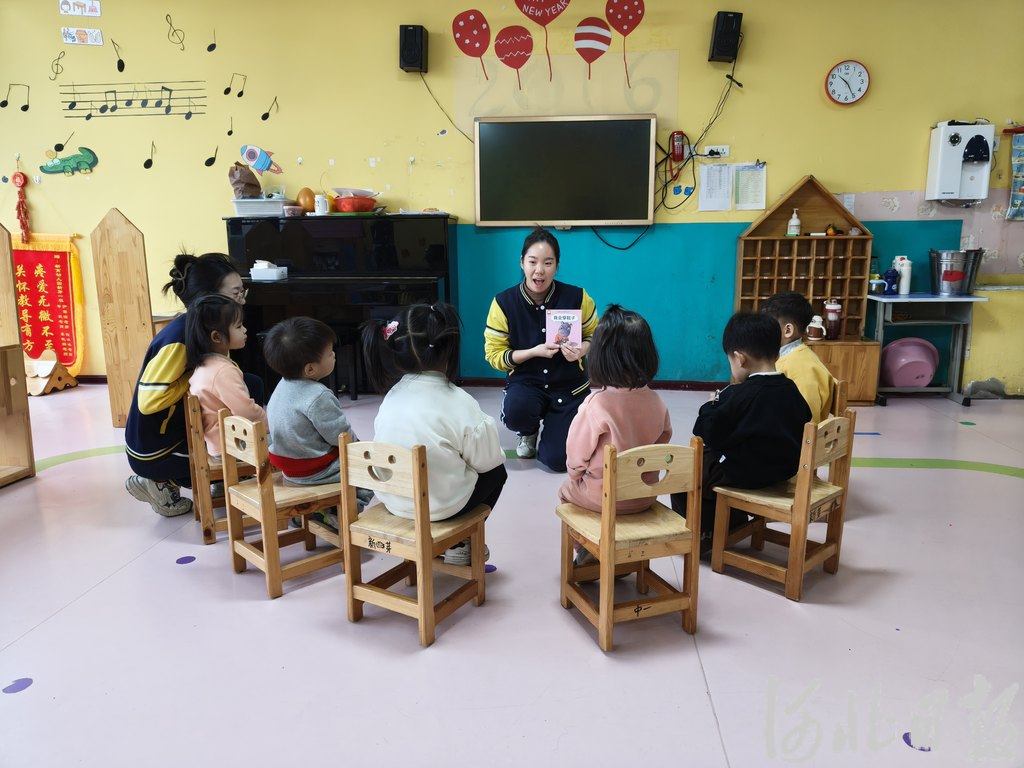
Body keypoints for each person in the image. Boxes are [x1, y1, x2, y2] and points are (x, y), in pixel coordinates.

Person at [364, 303, 506, 566]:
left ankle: (457, 540)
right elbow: (488, 461)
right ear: (449, 351)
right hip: (440, 509)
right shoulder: (459, 402)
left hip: (395, 501)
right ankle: (460, 540)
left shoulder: (392, 396)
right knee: (497, 473)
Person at [125, 252, 261, 517]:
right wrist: (196, 380)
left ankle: (220, 479)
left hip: (167, 439)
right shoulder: (180, 337)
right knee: (233, 393)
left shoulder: (201, 328)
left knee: (248, 384)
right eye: (236, 293)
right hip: (154, 452)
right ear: (209, 298)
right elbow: (148, 402)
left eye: (243, 292)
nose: (242, 300)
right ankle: (160, 482)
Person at [671, 312, 811, 548]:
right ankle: (732, 524)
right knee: (713, 460)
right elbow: (805, 417)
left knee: (687, 467)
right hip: (783, 470)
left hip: (746, 474)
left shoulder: (740, 394)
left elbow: (705, 431)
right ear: (777, 352)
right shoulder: (791, 389)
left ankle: (704, 535)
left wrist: (712, 404)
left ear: (740, 359)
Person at [484, 227, 598, 471]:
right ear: (522, 263)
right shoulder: (503, 302)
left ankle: (556, 429)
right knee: (516, 412)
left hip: (569, 387)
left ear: (557, 266)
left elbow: (595, 336)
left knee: (556, 461)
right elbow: (494, 355)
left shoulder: (578, 297)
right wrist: (532, 352)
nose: (539, 270)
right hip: (526, 382)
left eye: (548, 263)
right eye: (532, 261)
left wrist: (582, 350)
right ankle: (528, 430)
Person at [263, 317, 372, 529]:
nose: (334, 355)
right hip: (314, 470)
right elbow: (341, 436)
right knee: (369, 469)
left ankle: (310, 510)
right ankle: (338, 515)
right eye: (330, 353)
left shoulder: (282, 385)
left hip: (288, 467)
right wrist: (361, 449)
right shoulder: (318, 395)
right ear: (310, 369)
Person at [186, 295, 266, 458]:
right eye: (238, 326)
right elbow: (246, 412)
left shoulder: (205, 365)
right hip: (234, 446)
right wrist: (272, 422)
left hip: (219, 444)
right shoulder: (222, 371)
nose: (245, 330)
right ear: (217, 337)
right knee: (285, 443)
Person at [761, 291, 833, 423]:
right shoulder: (791, 357)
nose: (762, 331)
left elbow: (807, 421)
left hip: (797, 434)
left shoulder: (801, 368)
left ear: (788, 330)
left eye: (767, 325)